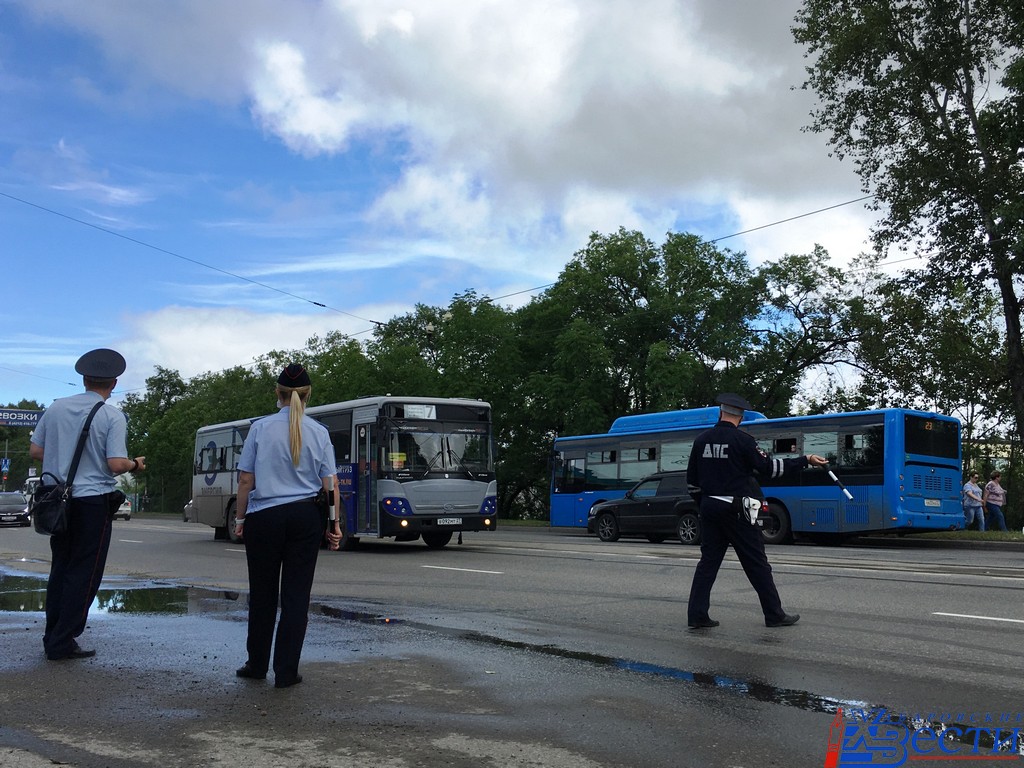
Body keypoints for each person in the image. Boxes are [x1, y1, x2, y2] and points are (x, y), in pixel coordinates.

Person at [29, 348, 146, 661]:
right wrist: (135, 464)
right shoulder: (111, 415)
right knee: (85, 572)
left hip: (57, 500)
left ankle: (52, 635)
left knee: (61, 568)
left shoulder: (55, 408)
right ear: (114, 382)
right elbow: (116, 463)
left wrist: (62, 454)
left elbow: (35, 451)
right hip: (92, 502)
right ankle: (63, 642)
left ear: (83, 378)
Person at [234, 363, 342, 689]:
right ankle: (286, 672)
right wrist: (333, 524)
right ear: (308, 396)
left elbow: (245, 480)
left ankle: (256, 665)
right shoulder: (319, 433)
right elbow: (330, 484)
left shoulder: (260, 429)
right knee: (296, 597)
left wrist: (240, 520)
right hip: (305, 518)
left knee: (263, 594)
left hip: (264, 517)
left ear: (277, 393)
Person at [686, 393, 829, 629]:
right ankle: (774, 614)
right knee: (756, 562)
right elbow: (769, 469)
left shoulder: (701, 441)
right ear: (740, 418)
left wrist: (705, 503)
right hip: (739, 507)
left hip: (710, 506)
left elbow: (692, 481)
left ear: (720, 413)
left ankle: (697, 615)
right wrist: (805, 460)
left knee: (708, 563)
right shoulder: (743, 441)